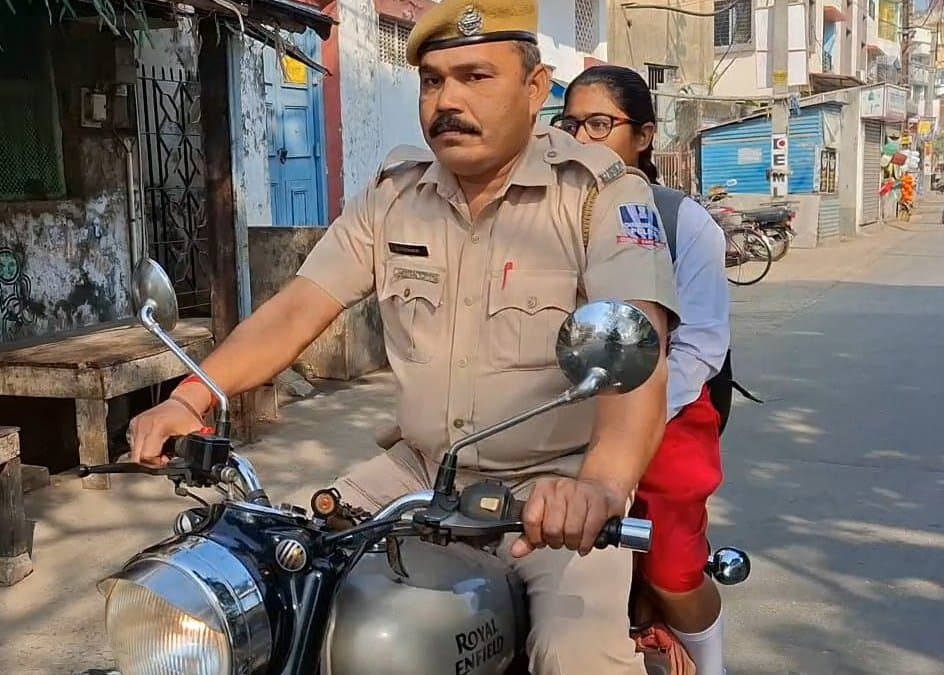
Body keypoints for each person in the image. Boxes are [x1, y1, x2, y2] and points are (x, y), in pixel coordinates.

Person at [127, 0, 680, 672]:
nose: (448, 100)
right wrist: (193, 395)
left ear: (536, 90)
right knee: (279, 580)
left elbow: (636, 355)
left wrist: (598, 488)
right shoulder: (395, 195)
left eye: (476, 77)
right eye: (432, 81)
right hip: (415, 473)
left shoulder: (598, 195)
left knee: (575, 655)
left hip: (551, 490)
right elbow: (300, 306)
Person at [553, 65, 731, 675]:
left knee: (671, 566)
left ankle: (710, 662)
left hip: (669, 410)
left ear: (645, 135)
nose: (581, 139)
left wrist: (639, 406)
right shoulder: (545, 213)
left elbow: (703, 343)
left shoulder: (683, 221)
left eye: (600, 124)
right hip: (560, 408)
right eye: (569, 124)